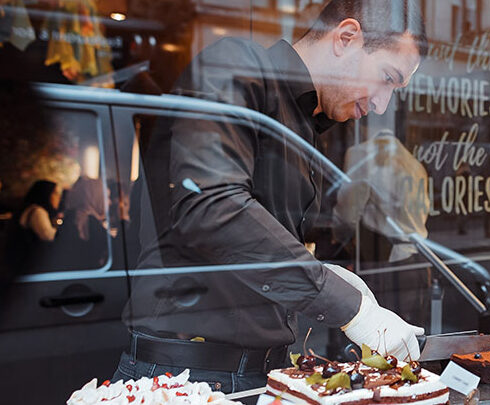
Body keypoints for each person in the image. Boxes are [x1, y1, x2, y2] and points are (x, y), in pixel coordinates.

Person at [116, 0, 427, 392]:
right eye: (386, 78)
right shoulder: (237, 65)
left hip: (257, 374)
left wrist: (330, 276)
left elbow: (252, 250)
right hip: (186, 373)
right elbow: (212, 206)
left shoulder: (307, 124)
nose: (382, 104)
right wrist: (352, 309)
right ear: (346, 38)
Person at [5, 180, 61, 272]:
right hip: (27, 264)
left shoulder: (32, 208)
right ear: (46, 194)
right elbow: (48, 236)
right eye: (55, 193)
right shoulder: (37, 212)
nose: (58, 197)